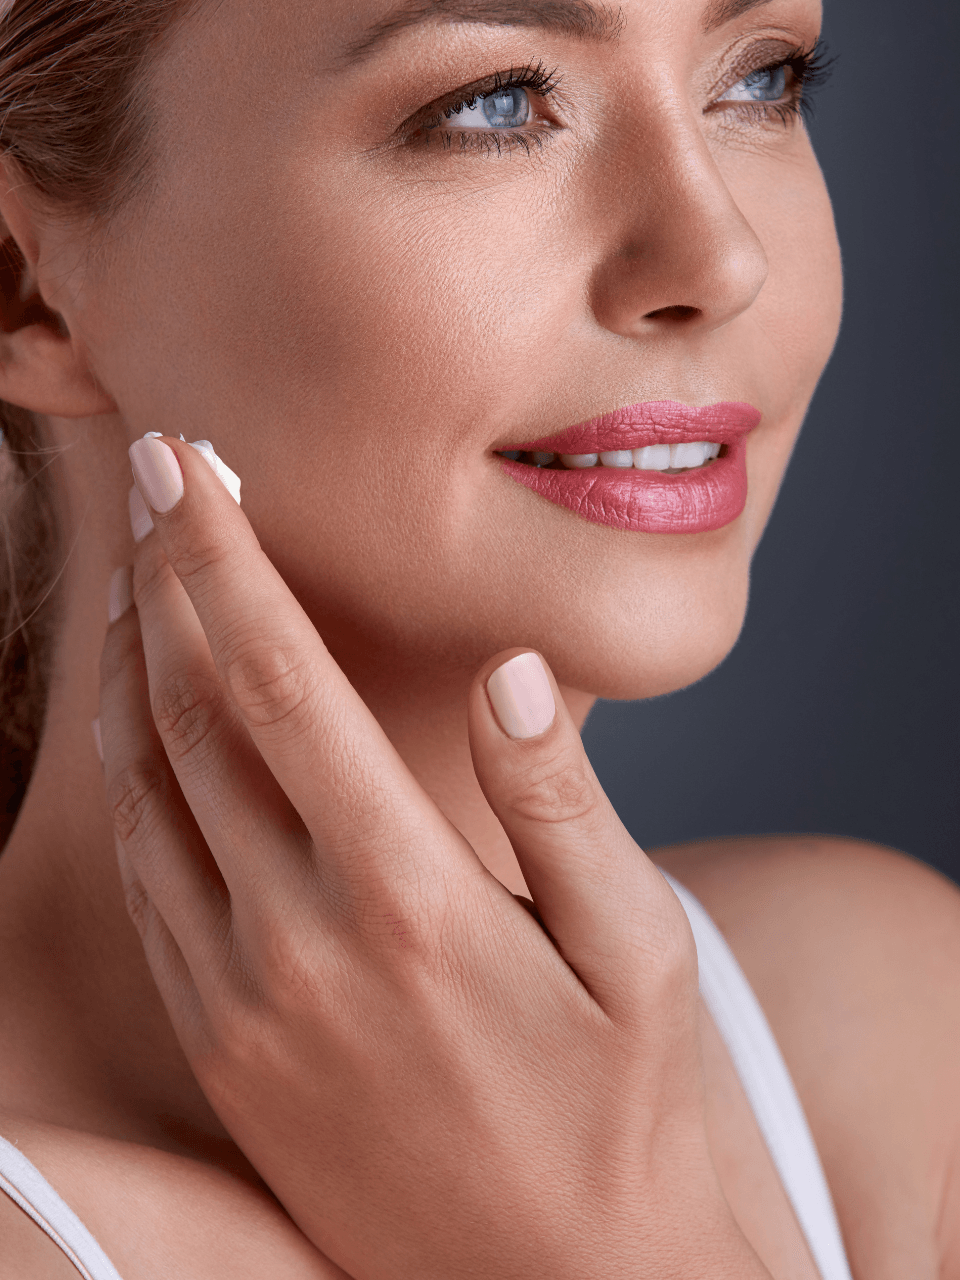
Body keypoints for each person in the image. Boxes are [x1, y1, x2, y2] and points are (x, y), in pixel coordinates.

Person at [0, 0, 957, 1276]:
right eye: (497, 100)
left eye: (761, 80)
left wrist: (603, 1242)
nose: (717, 256)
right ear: (28, 290)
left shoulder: (890, 1023)